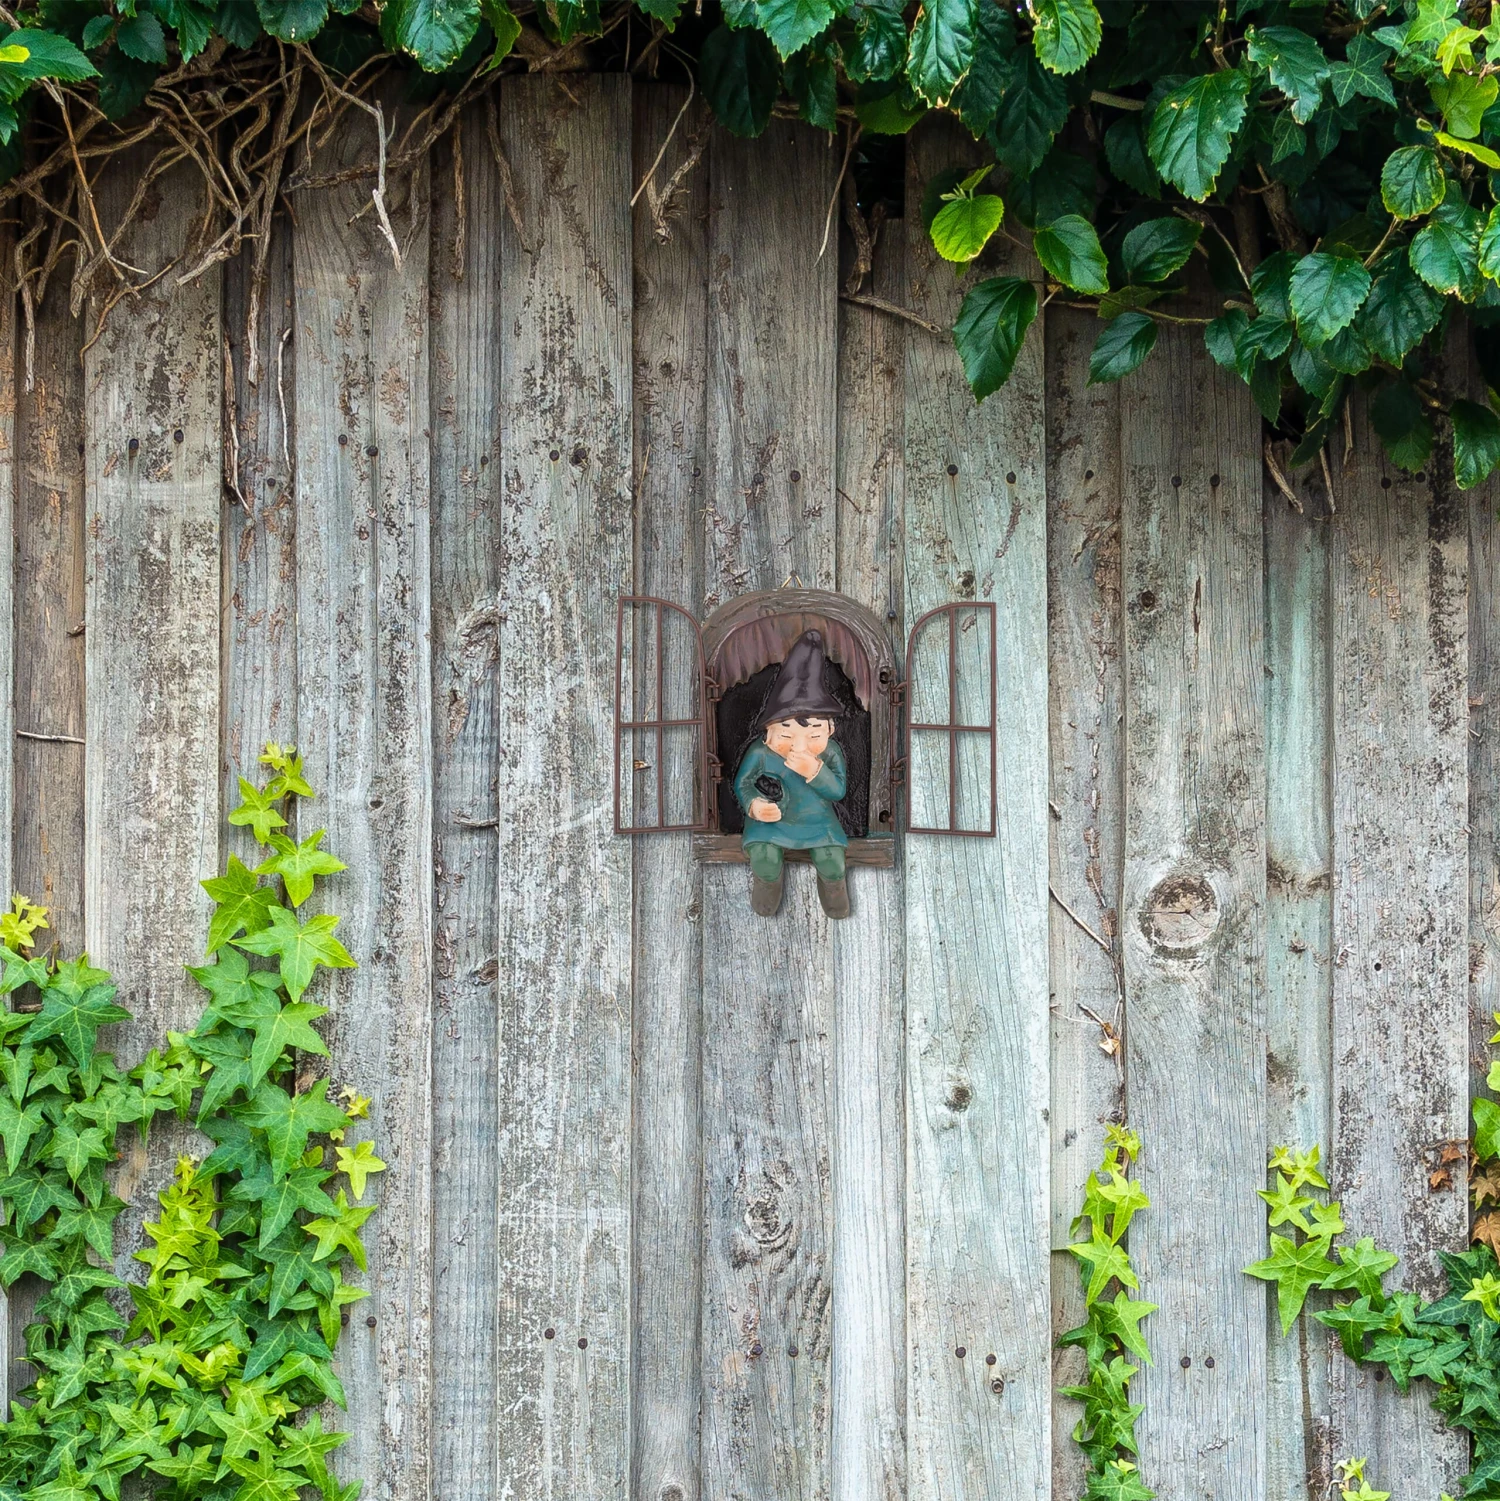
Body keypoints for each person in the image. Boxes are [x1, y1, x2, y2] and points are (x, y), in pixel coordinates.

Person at [733, 629, 850, 919]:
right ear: (768, 732)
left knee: (832, 859)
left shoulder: (830, 754)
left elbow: (837, 791)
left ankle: (834, 893)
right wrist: (754, 805)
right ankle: (767, 888)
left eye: (812, 734)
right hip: (771, 824)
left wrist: (816, 770)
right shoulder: (760, 754)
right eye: (786, 733)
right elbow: (743, 783)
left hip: (817, 821)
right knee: (764, 857)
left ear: (830, 730)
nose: (798, 745)